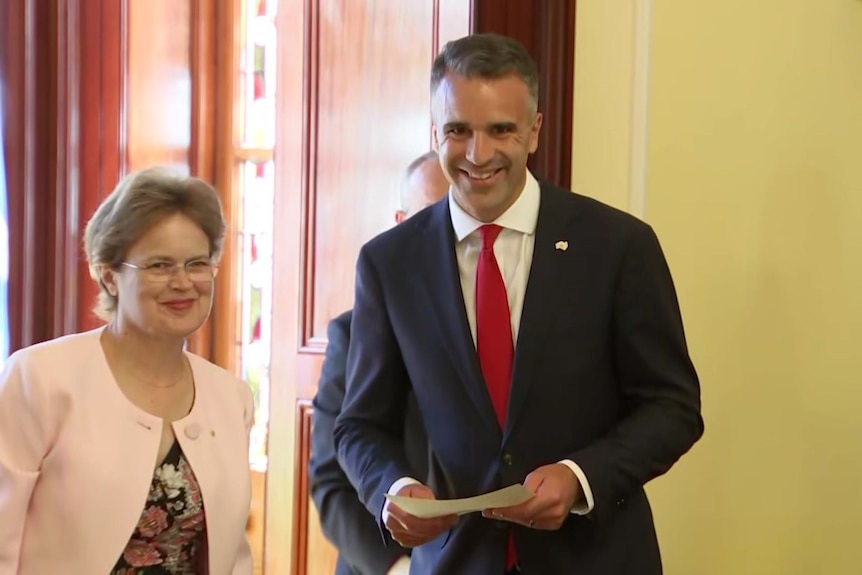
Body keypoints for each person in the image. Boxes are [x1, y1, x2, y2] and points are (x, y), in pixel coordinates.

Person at [334, 33, 704, 575]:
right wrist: (394, 488)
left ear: (533, 131)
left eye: (500, 129)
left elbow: (672, 407)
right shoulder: (389, 263)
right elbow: (359, 425)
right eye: (458, 130)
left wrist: (581, 476)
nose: (477, 155)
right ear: (436, 131)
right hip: (455, 561)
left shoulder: (618, 247)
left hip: (596, 559)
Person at [0, 167, 254, 574]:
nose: (183, 282)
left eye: (197, 263)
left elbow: (233, 556)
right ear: (109, 276)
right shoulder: (38, 378)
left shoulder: (231, 396)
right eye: (159, 265)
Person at [309, 151, 450, 575]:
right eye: (429, 217)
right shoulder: (352, 335)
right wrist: (398, 567)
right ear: (400, 222)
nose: (446, 235)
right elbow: (331, 483)